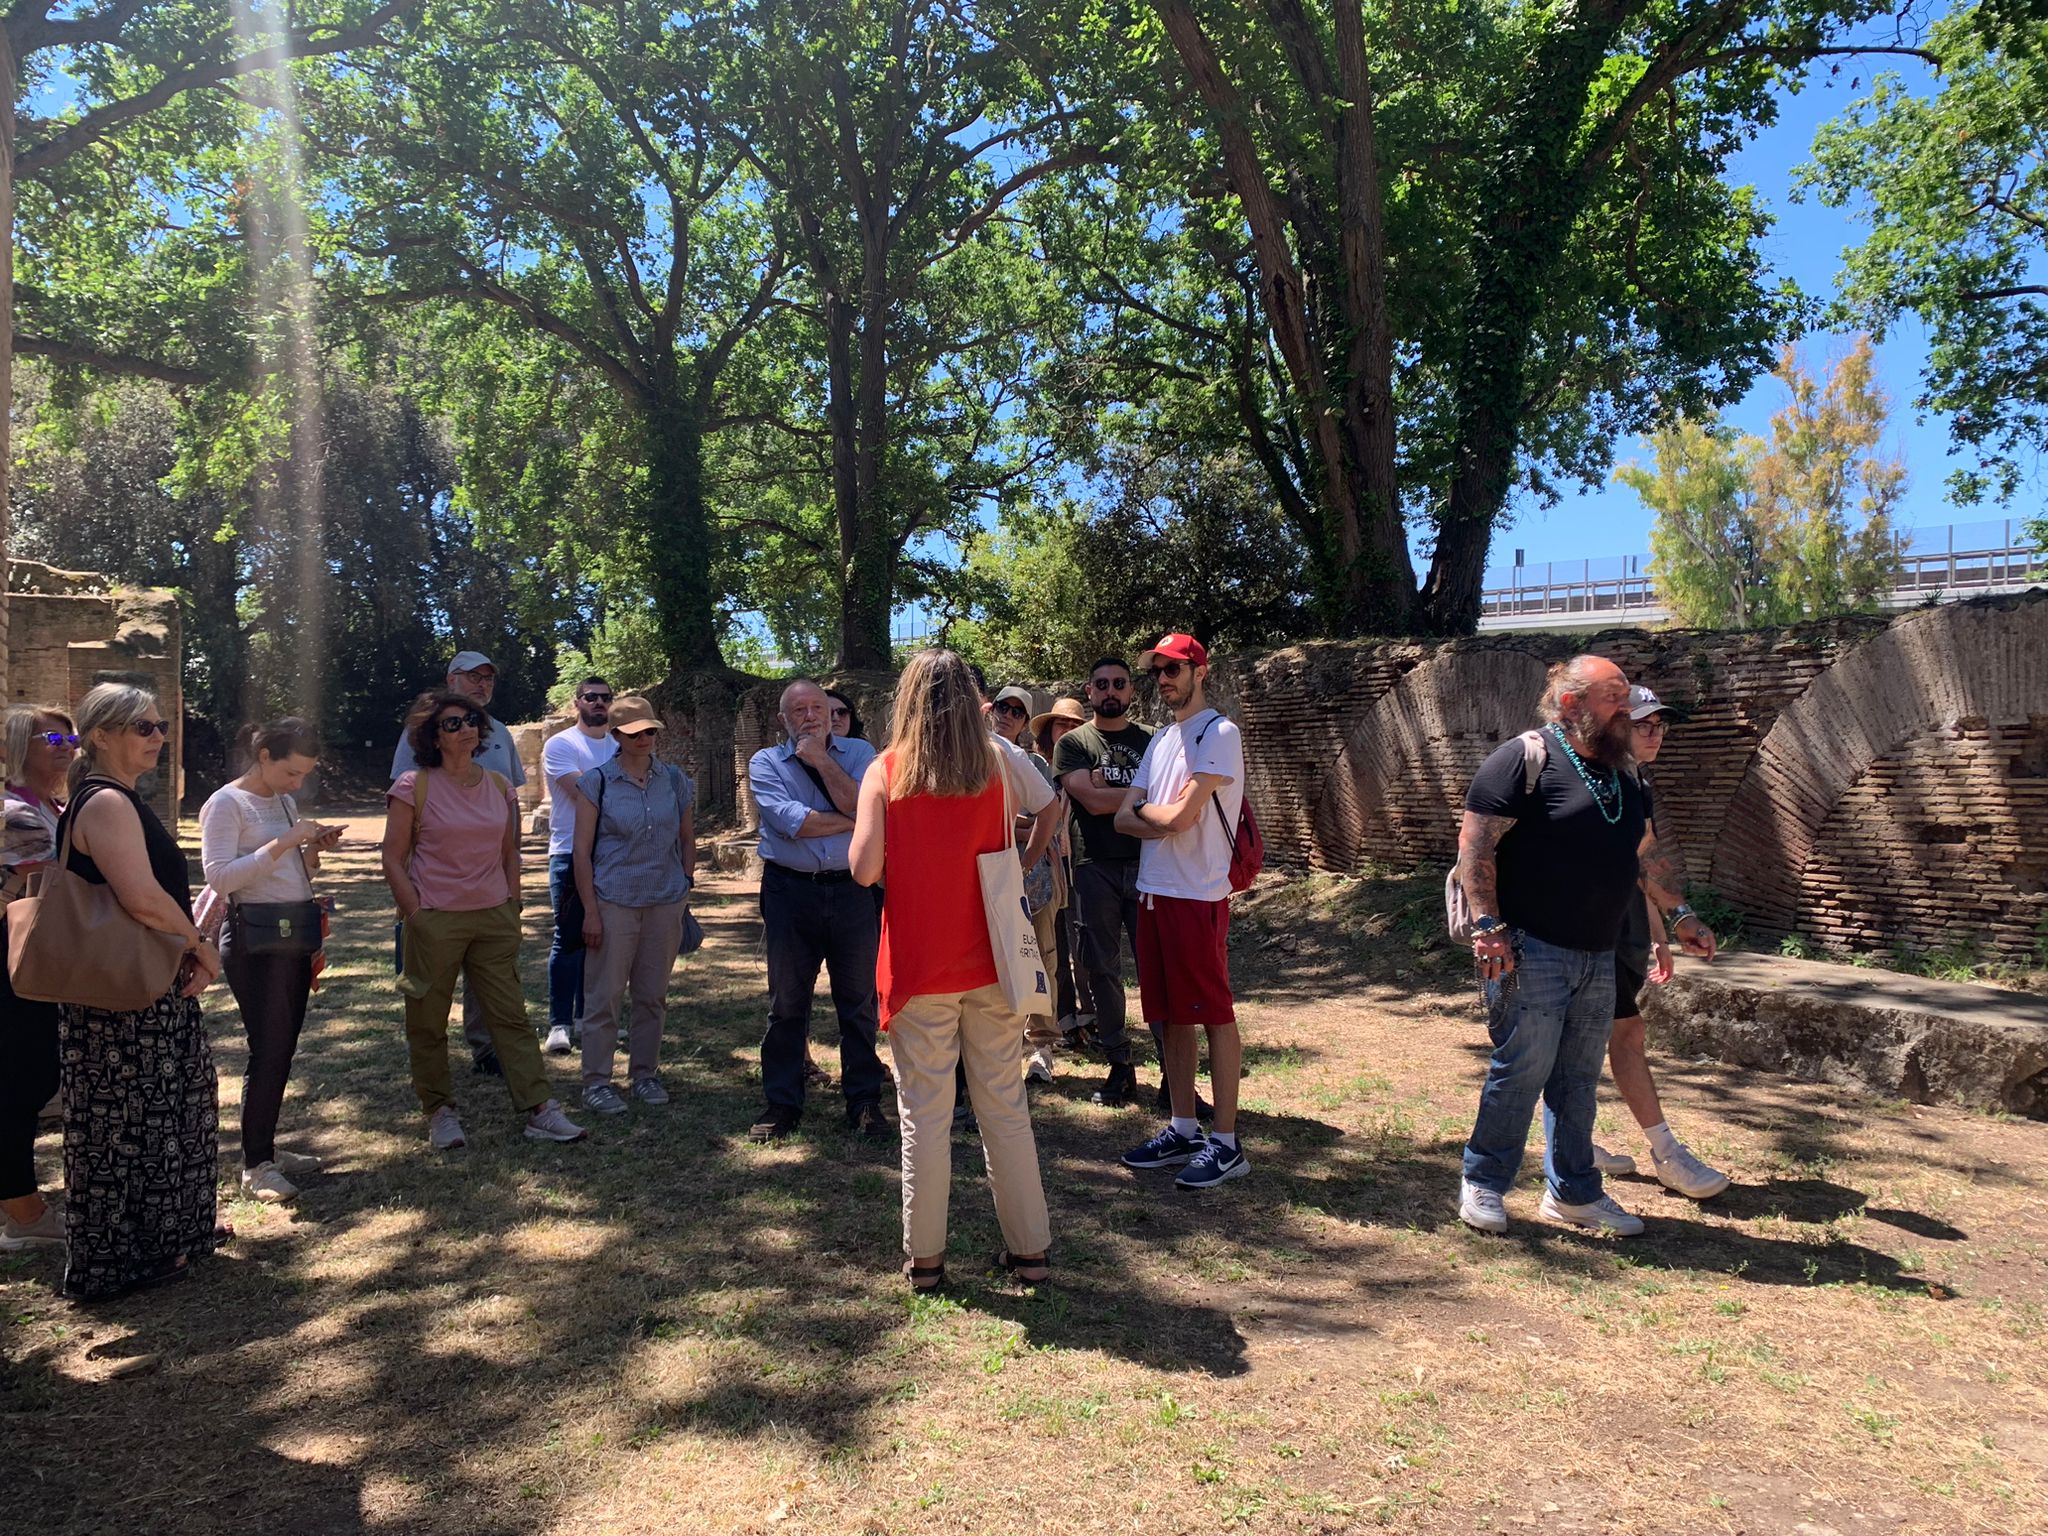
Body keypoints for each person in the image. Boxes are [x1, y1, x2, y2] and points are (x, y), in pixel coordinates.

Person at [1454, 656, 1718, 1237]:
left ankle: (1574, 1192)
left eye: (1627, 697)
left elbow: (1644, 855)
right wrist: (1488, 926)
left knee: (1576, 1080)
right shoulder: (1523, 759)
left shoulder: (1629, 777)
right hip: (1529, 946)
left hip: (1598, 953)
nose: (1627, 709)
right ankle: (1483, 1180)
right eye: (1614, 697)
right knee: (1521, 1070)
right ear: (1572, 704)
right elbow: (1475, 846)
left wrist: (1682, 915)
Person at [849, 649, 1059, 1290]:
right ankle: (1031, 1254)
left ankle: (927, 1261)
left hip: (918, 965)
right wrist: (1020, 863)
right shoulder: (1001, 757)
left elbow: (863, 870)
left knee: (925, 1118)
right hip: (993, 958)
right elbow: (1052, 807)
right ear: (972, 697)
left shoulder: (885, 770)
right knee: (1005, 1108)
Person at [53, 684, 224, 1301]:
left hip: (142, 987)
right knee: (125, 1124)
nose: (157, 736)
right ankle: (124, 1256)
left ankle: (166, 1235)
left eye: (159, 727)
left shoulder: (122, 799)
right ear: (101, 735)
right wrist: (201, 944)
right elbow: (142, 898)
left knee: (163, 1112)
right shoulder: (105, 803)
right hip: (120, 997)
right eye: (142, 727)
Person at [382, 690, 586, 1150]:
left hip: (493, 916)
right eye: (452, 723)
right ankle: (440, 1111)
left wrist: (512, 903)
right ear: (434, 736)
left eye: (470, 720)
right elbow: (392, 859)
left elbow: (509, 852)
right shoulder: (414, 786)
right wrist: (416, 913)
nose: (466, 728)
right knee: (428, 1022)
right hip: (434, 918)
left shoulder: (498, 785)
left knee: (510, 1017)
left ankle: (539, 1109)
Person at [1546, 686, 1729, 1198]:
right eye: (1643, 723)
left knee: (1579, 1043)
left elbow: (1639, 863)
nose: (1655, 733)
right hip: (1572, 933)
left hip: (1618, 929)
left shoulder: (1635, 780)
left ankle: (1572, 1143)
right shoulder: (1579, 774)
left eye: (1661, 725)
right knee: (1621, 1038)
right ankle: (1666, 1153)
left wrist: (1669, 927)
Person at [1113, 634, 1251, 1191]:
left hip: (1198, 893)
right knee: (1169, 1015)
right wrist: (1156, 813)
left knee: (1214, 1012)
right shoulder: (1162, 739)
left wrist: (1151, 812)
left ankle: (1226, 1142)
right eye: (1157, 671)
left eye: (1173, 669)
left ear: (1200, 670)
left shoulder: (1218, 732)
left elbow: (1180, 818)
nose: (1164, 679)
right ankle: (1183, 1125)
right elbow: (1127, 820)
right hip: (1153, 890)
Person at [199, 719, 343, 1204]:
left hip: (291, 932)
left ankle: (266, 1151)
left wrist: (311, 849)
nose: (297, 784)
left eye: (304, 775)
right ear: (264, 757)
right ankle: (256, 1164)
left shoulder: (282, 801)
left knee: (282, 1046)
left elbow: (294, 871)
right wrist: (283, 842)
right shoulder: (225, 803)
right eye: (292, 772)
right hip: (254, 939)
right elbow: (221, 878)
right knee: (270, 1046)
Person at [746, 679, 890, 1141]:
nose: (810, 716)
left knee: (859, 1002)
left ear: (831, 715)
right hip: (791, 893)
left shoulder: (861, 754)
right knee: (787, 1004)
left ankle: (865, 1102)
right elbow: (793, 824)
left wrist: (822, 761)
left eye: (818, 708)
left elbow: (870, 809)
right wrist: (857, 818)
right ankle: (782, 1104)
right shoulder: (764, 762)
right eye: (799, 710)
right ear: (782, 720)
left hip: (852, 891)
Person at [390, 650, 528, 1078]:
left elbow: (513, 803)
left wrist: (514, 874)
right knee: (432, 976)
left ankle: (487, 1047)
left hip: (489, 879)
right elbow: (405, 799)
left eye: (488, 678)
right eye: (473, 676)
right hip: (437, 880)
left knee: (492, 972)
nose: (481, 684)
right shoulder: (422, 733)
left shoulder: (500, 733)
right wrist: (411, 901)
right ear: (452, 679)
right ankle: (433, 1071)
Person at [571, 696, 695, 1113]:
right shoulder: (597, 782)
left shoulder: (675, 780)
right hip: (613, 901)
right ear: (616, 736)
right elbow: (581, 851)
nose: (644, 738)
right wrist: (590, 909)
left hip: (664, 900)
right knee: (604, 995)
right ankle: (596, 1081)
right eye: (634, 732)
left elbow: (686, 838)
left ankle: (644, 1073)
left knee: (652, 995)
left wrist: (685, 885)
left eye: (650, 731)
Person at [1052, 657, 1155, 1108]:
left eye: (1119, 683)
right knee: (1103, 971)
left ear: (1132, 690)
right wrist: (1140, 795)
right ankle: (1120, 1067)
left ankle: (1176, 1076)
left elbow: (1173, 795)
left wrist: (1109, 793)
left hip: (1152, 867)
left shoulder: (1154, 739)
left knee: (1158, 972)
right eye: (1101, 684)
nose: (1110, 691)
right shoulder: (1074, 743)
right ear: (1089, 691)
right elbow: (1090, 804)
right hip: (1094, 868)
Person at [1, 706, 74, 1253]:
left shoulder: (55, 805)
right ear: (19, 745)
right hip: (13, 963)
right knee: (20, 1085)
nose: (65, 743)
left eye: (70, 734)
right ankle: (22, 1213)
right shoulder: (15, 813)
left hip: (44, 961)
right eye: (51, 735)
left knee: (33, 1081)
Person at [990, 686, 1066, 1083]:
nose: (1008, 715)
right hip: (986, 878)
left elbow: (1046, 818)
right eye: (1003, 706)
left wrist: (1024, 847)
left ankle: (1042, 1048)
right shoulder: (974, 756)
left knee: (1040, 961)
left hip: (1031, 876)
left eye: (1017, 712)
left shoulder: (1032, 764)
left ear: (1024, 722)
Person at [540, 677, 617, 1055]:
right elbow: (585, 792)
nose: (599, 703)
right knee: (569, 938)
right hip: (569, 852)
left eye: (605, 698)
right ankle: (559, 1023)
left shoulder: (620, 745)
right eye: (591, 697)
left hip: (613, 856)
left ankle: (591, 1018)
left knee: (604, 940)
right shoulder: (561, 744)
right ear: (577, 704)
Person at [1032, 696, 1094, 1056]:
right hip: (1049, 866)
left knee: (1085, 945)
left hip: (1082, 862)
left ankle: (1091, 1017)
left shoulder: (1091, 766)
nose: (1067, 731)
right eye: (1061, 725)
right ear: (1049, 731)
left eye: (1074, 726)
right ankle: (1064, 1021)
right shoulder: (1037, 767)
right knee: (1052, 946)